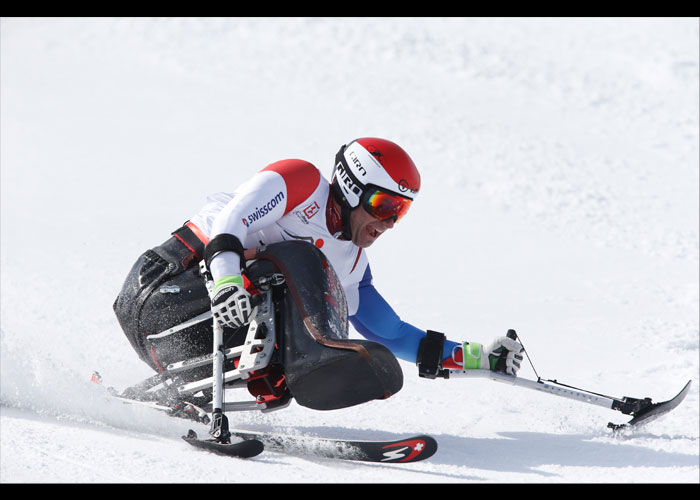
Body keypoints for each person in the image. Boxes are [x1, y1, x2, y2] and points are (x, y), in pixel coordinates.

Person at [113, 137, 523, 390]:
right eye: (384, 205)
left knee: (313, 293)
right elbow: (231, 220)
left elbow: (392, 332)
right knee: (299, 258)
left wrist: (477, 359)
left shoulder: (353, 266)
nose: (388, 223)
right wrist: (226, 281)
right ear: (351, 186)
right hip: (162, 288)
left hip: (193, 345)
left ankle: (203, 389)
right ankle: (317, 355)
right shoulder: (302, 183)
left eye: (401, 211)